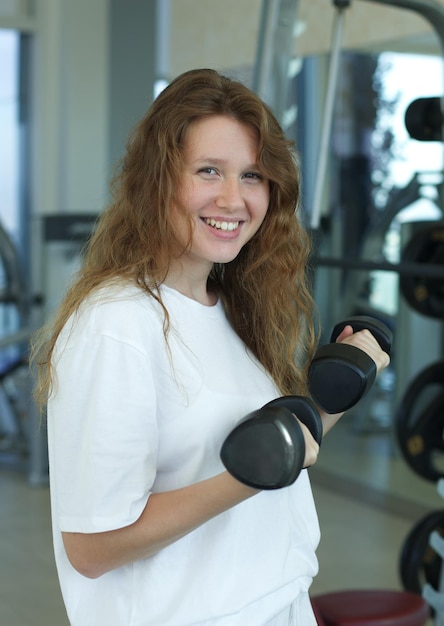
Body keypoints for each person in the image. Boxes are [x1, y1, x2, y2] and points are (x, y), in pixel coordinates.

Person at [32, 68, 390, 626]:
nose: (234, 198)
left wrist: (329, 404)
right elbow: (91, 548)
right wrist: (243, 479)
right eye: (208, 171)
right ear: (158, 182)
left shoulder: (228, 305)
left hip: (279, 604)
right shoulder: (117, 324)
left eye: (252, 175)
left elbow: (274, 454)